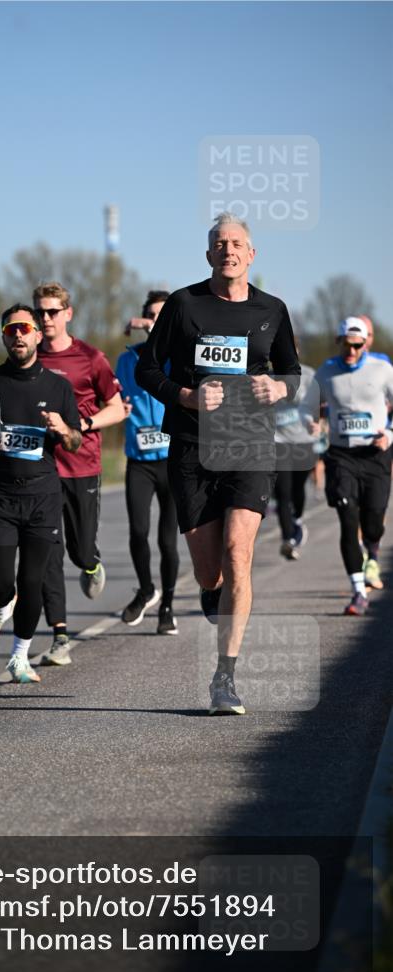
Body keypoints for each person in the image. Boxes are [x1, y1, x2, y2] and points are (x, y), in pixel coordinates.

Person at [136, 213, 300, 715]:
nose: (228, 250)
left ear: (251, 255)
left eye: (237, 244)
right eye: (219, 244)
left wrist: (277, 387)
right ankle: (214, 591)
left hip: (249, 444)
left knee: (238, 551)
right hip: (191, 448)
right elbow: (146, 368)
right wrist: (184, 395)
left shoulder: (273, 310)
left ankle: (224, 677)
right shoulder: (185, 305)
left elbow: (292, 373)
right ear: (208, 255)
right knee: (210, 572)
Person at [0, 304, 82, 682]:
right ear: (3, 336)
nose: (18, 335)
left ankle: (20, 656)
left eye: (25, 329)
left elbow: (75, 443)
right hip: (0, 496)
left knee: (33, 580)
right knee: (0, 582)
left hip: (42, 497)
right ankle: (1, 605)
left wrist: (64, 428)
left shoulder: (57, 386)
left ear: (38, 335)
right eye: (11, 330)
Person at [34, 282, 125, 666]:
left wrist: (81, 425)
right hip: (40, 470)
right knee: (47, 553)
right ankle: (59, 636)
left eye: (53, 311)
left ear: (68, 313)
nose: (46, 319)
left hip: (82, 466)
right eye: (40, 312)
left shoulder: (90, 357)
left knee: (78, 549)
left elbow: (118, 408)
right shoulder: (28, 358)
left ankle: (91, 561)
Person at [315, 316, 393, 612]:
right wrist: (312, 420)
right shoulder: (326, 372)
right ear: (339, 343)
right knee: (348, 520)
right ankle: (358, 592)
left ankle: (372, 549)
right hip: (341, 455)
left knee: (373, 521)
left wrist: (389, 433)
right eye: (346, 346)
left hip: (375, 455)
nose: (351, 352)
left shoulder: (382, 369)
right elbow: (308, 406)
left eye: (357, 346)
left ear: (365, 344)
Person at [116, 290, 180, 633]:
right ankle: (146, 589)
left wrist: (161, 325)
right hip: (139, 461)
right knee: (138, 532)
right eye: (150, 315)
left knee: (167, 540)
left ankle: (167, 606)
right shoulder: (127, 362)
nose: (154, 321)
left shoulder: (178, 359)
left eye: (162, 315)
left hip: (172, 462)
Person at [273, 352, 319, 560]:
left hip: (303, 441)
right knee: (283, 492)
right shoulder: (268, 376)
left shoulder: (309, 375)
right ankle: (288, 539)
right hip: (278, 441)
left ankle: (297, 518)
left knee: (298, 489)